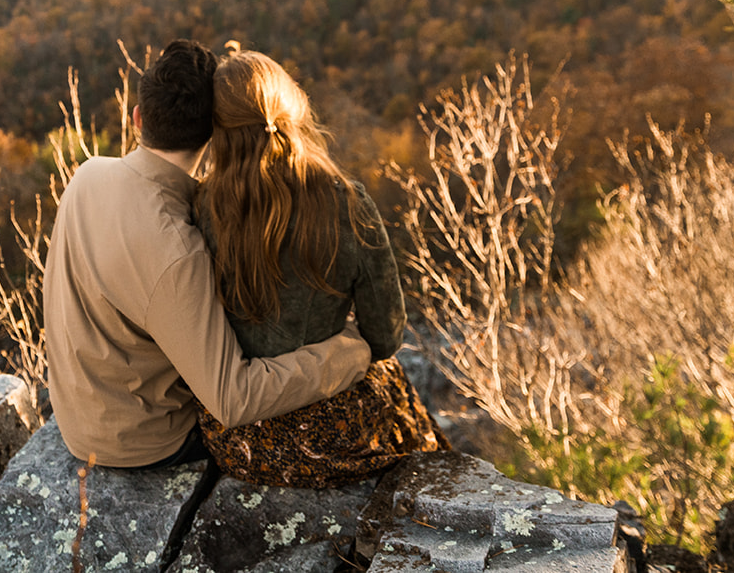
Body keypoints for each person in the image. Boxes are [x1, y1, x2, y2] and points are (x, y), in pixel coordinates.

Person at [43, 39, 373, 468]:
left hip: (76, 421)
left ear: (137, 117)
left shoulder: (87, 175)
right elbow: (233, 398)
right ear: (215, 135)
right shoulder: (178, 250)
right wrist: (347, 354)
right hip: (142, 444)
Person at [192, 48, 442, 486]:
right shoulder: (348, 203)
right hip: (328, 433)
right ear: (291, 108)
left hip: (242, 440)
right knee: (405, 410)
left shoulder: (198, 208)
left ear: (216, 130)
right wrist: (338, 348)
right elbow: (385, 338)